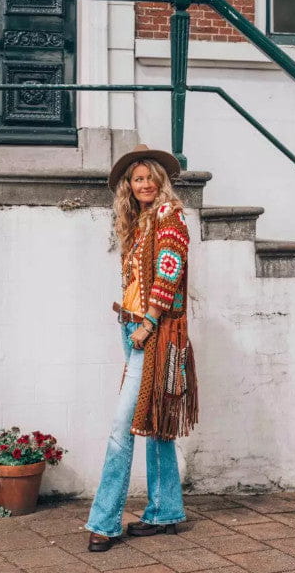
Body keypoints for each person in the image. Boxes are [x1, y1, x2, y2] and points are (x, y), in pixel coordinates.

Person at [85, 144, 200, 552]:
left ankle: (104, 522)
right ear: (129, 187)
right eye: (137, 179)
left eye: (151, 177)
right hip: (132, 327)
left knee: (122, 428)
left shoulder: (170, 218)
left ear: (161, 181)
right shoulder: (139, 224)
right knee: (153, 421)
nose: (145, 183)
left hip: (153, 332)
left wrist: (149, 321)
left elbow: (169, 270)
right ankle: (166, 511)